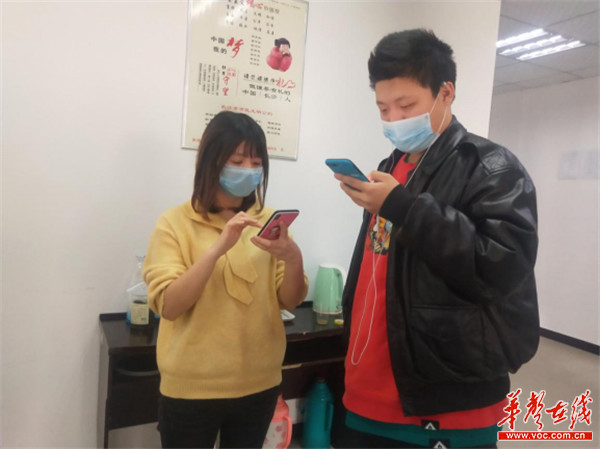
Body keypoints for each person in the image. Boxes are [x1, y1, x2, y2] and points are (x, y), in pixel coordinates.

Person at [333, 29, 539, 449]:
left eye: (406, 105)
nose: (393, 119)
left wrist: (405, 208)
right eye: (383, 108)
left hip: (446, 401)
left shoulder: (491, 167)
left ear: (446, 93)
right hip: (366, 390)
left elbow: (500, 268)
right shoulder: (389, 167)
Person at [143, 111, 308, 448]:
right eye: (237, 160)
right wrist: (218, 248)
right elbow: (170, 305)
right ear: (211, 161)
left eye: (256, 162)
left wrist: (293, 258)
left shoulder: (268, 221)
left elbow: (290, 299)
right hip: (191, 388)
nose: (248, 170)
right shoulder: (174, 223)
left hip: (259, 383)